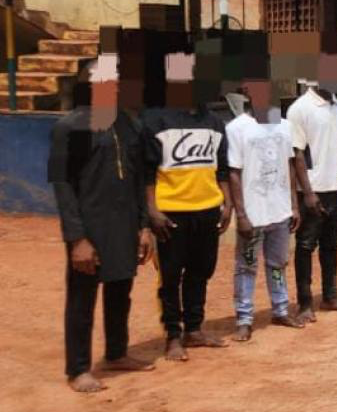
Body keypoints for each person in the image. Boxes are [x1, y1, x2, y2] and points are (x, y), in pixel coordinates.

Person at [49, 71, 155, 393]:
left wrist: (144, 226)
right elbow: (62, 186)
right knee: (82, 299)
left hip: (125, 223)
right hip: (89, 227)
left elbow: (138, 178)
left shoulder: (128, 124)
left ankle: (117, 353)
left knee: (121, 291)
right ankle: (78, 369)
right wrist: (77, 239)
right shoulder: (70, 126)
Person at [141, 99, 233, 361]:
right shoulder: (156, 120)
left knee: (201, 271)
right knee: (170, 276)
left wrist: (227, 203)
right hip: (171, 213)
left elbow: (221, 168)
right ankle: (173, 335)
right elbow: (146, 172)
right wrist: (152, 211)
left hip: (208, 210)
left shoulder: (214, 122)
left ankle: (194, 329)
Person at [225, 94, 305, 341]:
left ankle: (280, 310)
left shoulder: (284, 126)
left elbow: (289, 166)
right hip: (253, 215)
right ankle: (244, 319)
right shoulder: (236, 128)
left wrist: (294, 205)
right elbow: (234, 172)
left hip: (280, 212)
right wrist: (241, 214)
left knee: (278, 264)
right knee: (246, 267)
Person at [287, 85, 337, 321]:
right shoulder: (299, 108)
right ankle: (305, 303)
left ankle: (330, 296)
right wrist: (308, 193)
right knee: (306, 246)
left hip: (335, 188)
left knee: (331, 244)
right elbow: (296, 154)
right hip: (312, 191)